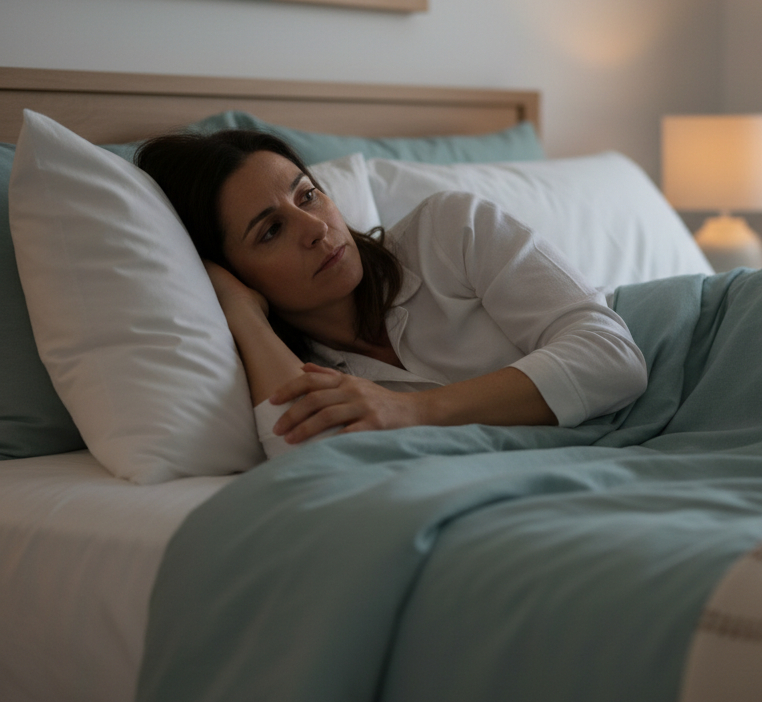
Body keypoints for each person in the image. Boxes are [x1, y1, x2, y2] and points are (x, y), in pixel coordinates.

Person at [135, 130, 648, 458]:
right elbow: (314, 466)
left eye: (308, 194)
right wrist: (242, 314)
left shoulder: (451, 230)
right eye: (270, 231)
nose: (314, 227)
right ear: (232, 272)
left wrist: (413, 410)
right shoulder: (295, 368)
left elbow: (613, 359)